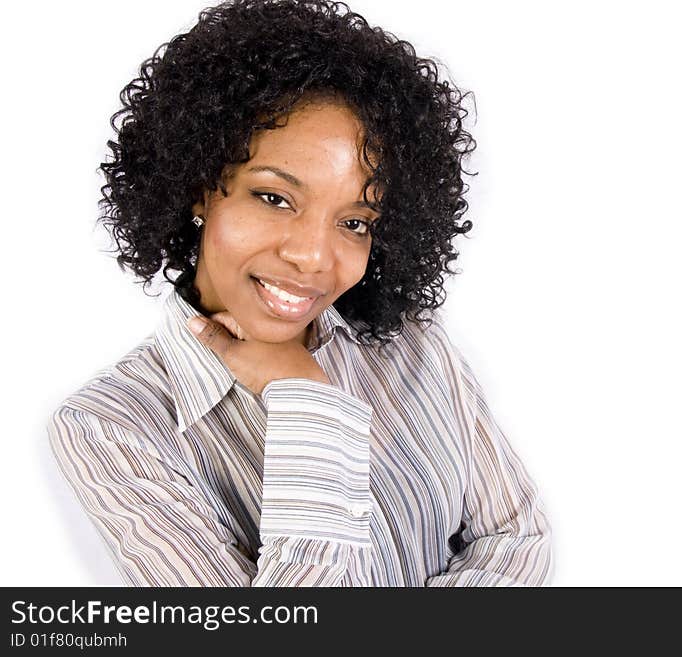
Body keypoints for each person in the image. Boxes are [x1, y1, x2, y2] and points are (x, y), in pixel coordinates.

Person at [47, 0, 552, 586]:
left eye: (355, 221)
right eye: (275, 198)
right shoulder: (113, 428)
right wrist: (307, 400)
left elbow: (518, 538)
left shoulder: (410, 344)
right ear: (199, 189)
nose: (313, 257)